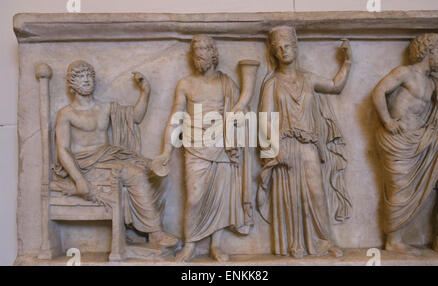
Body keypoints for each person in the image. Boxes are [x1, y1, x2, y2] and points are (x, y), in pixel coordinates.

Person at [54, 60, 178, 248]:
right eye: (80, 76)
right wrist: (78, 179)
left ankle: (138, 226)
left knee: (156, 170)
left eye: (89, 75)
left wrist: (145, 92)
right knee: (133, 173)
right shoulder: (66, 114)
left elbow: (135, 117)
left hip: (108, 157)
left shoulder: (105, 107)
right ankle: (156, 232)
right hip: (85, 165)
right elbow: (63, 149)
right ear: (71, 83)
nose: (86, 79)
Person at [153, 35, 253, 262]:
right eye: (195, 50)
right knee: (194, 197)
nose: (199, 54)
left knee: (221, 197)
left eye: (204, 50)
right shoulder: (186, 83)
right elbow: (176, 118)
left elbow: (244, 114)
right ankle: (190, 244)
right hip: (196, 145)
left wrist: (238, 119)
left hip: (222, 144)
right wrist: (166, 151)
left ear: (213, 53)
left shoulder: (226, 83)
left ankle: (215, 246)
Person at [258, 26, 352, 258]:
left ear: (296, 47)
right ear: (274, 52)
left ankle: (324, 241)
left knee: (316, 192)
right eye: (279, 48)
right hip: (285, 145)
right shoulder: (272, 83)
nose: (284, 51)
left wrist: (347, 62)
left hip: (309, 144)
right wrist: (276, 149)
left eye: (287, 45)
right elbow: (264, 119)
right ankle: (295, 243)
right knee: (290, 196)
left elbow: (335, 85)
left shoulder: (308, 78)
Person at [372, 33, 438, 256]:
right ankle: (393, 240)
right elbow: (379, 91)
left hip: (420, 138)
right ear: (428, 51)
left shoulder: (433, 85)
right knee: (400, 189)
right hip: (398, 140)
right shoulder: (405, 72)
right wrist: (387, 121)